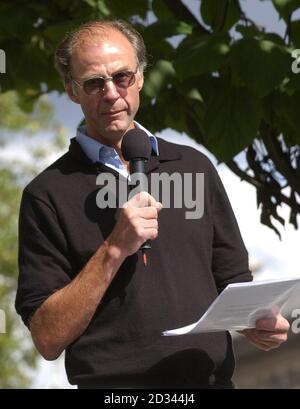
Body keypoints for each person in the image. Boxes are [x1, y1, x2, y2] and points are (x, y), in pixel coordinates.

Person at [15, 19, 290, 389]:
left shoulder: (194, 166)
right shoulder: (46, 194)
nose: (112, 93)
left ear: (141, 77)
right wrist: (114, 248)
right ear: (71, 90)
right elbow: (48, 339)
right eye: (94, 83)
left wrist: (259, 322)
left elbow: (233, 283)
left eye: (122, 77)